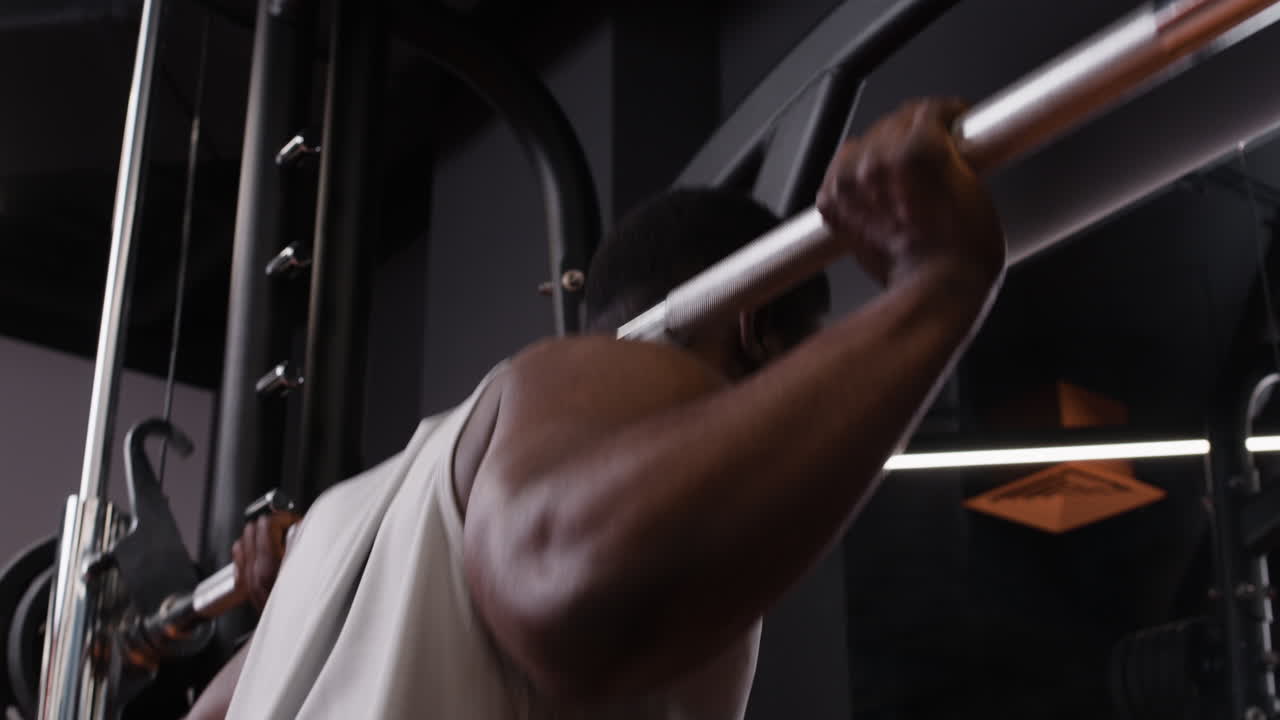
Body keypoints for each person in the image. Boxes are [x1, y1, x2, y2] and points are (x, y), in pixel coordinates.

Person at [189, 97, 1005, 719]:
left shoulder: (339, 522)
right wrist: (937, 285)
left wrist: (280, 614)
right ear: (756, 331)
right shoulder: (612, 380)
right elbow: (562, 579)